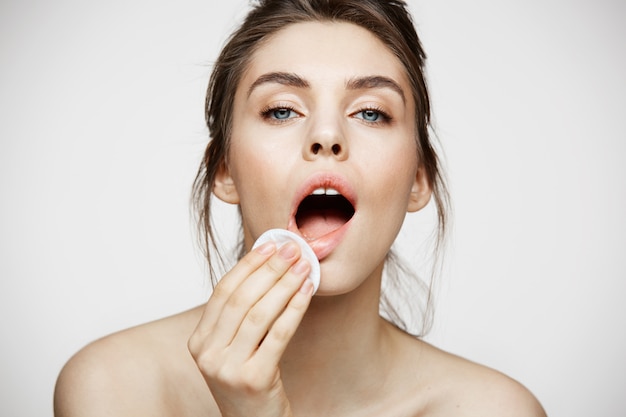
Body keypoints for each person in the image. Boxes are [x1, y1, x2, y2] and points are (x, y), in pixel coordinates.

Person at [54, 1, 546, 416]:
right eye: (282, 110)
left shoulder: (493, 409)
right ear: (224, 171)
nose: (327, 136)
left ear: (419, 181)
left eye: (371, 112)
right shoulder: (114, 389)